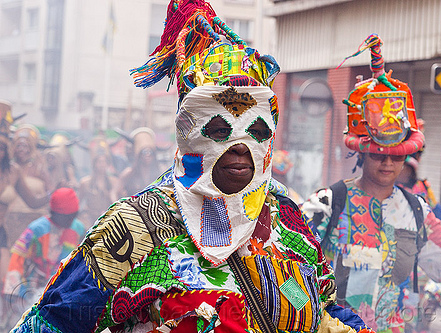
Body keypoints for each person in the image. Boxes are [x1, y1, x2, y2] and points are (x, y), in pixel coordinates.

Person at [10, 1, 370, 332]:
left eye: (256, 130)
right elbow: (50, 322)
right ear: (189, 133)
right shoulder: (137, 228)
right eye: (219, 130)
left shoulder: (287, 221)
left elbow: (325, 311)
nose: (241, 147)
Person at [301, 34, 441, 333]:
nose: (388, 163)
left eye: (397, 157)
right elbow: (291, 270)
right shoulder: (327, 205)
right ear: (361, 152)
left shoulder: (416, 211)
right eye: (379, 155)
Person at [2, 188, 85, 330]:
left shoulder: (78, 229)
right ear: (55, 213)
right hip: (30, 291)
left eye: (73, 216)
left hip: (59, 292)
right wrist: (15, 293)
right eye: (68, 217)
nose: (71, 220)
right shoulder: (37, 229)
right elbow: (17, 259)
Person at [0, 101, 51, 292]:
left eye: (2, 147)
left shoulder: (13, 171)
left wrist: (53, 194)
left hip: (3, 233)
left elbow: (33, 201)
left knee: (7, 280)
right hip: (9, 226)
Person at [6, 124, 51, 249]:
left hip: (34, 220)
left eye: (25, 146)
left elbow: (49, 192)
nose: (22, 149)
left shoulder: (40, 169)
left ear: (31, 148)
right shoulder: (9, 169)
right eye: (19, 145)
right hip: (11, 220)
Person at [79, 135, 118, 229]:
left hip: (108, 219)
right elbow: (78, 202)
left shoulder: (114, 182)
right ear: (94, 164)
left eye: (104, 162)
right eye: (99, 162)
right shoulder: (85, 182)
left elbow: (117, 202)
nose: (102, 165)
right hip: (89, 220)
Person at [113, 127, 161, 198]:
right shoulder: (129, 173)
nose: (148, 155)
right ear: (139, 155)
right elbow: (114, 192)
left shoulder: (160, 173)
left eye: (150, 152)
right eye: (144, 152)